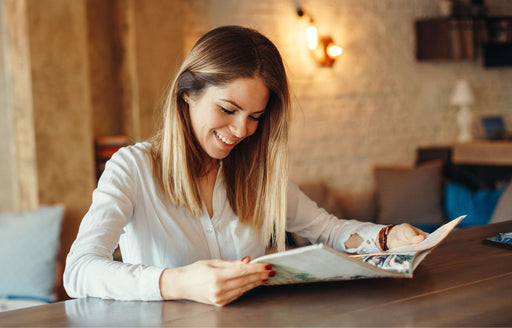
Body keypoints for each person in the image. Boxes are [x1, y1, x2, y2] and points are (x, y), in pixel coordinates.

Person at [64, 25, 427, 307]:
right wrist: (178, 282)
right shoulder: (133, 168)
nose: (242, 131)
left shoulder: (258, 174)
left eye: (255, 116)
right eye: (227, 109)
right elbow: (79, 271)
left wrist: (386, 237)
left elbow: (328, 231)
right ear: (187, 94)